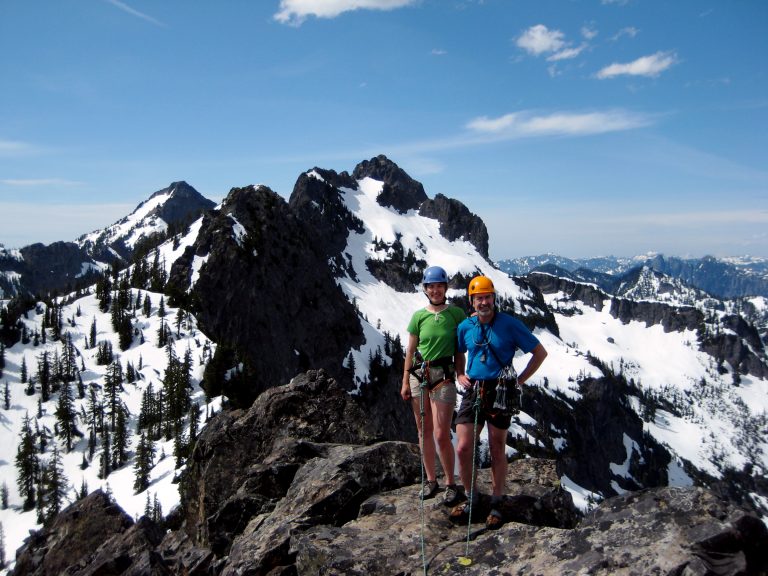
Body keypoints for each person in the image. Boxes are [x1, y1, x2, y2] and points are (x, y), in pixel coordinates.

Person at [450, 275, 548, 529]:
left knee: (496, 446)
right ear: (472, 301)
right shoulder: (465, 327)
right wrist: (460, 373)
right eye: (479, 298)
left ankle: (496, 500)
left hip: (500, 390)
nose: (484, 302)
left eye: (487, 297)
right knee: (463, 447)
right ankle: (471, 497)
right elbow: (459, 351)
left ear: (494, 298)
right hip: (474, 390)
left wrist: (520, 381)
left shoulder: (509, 324)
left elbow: (540, 353)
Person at [402, 266, 467, 506]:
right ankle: (431, 480)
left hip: (444, 376)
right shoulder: (419, 316)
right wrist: (404, 382)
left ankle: (450, 482)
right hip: (419, 375)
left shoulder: (456, 314)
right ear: (425, 289)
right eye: (431, 286)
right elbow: (410, 351)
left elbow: (460, 350)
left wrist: (461, 373)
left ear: (446, 288)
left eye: (439, 286)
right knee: (423, 431)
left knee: (441, 433)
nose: (436, 290)